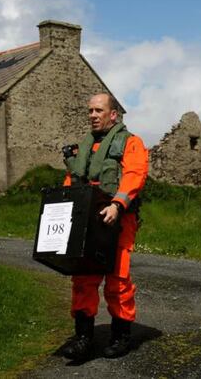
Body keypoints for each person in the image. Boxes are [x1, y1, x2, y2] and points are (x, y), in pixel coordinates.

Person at [59, 92, 149, 360]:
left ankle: (121, 336)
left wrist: (117, 204)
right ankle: (83, 337)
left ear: (113, 115)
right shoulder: (85, 147)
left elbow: (135, 175)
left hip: (118, 219)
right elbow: (72, 179)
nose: (93, 115)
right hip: (87, 219)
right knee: (83, 277)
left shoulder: (131, 143)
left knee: (117, 279)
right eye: (90, 111)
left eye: (99, 111)